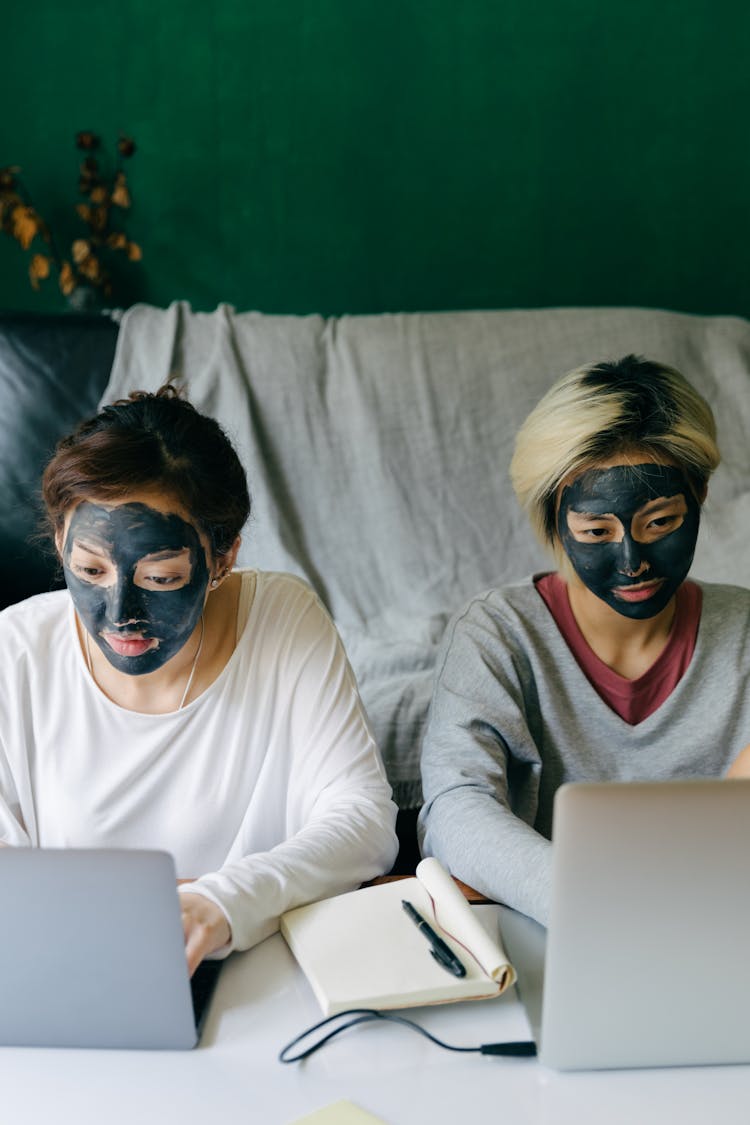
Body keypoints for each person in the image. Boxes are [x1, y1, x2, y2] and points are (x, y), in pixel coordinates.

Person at [0, 385, 398, 973]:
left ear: (222, 556)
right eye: (87, 570)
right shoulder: (17, 648)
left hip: (253, 975)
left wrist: (218, 902)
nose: (119, 616)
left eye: (160, 578)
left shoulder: (282, 619)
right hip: (64, 973)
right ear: (60, 542)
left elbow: (361, 818)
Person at [419, 355, 750, 925]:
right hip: (557, 931)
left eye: (662, 523)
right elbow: (454, 810)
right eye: (597, 532)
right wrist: (596, 906)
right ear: (553, 522)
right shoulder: (499, 636)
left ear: (699, 498)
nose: (633, 562)